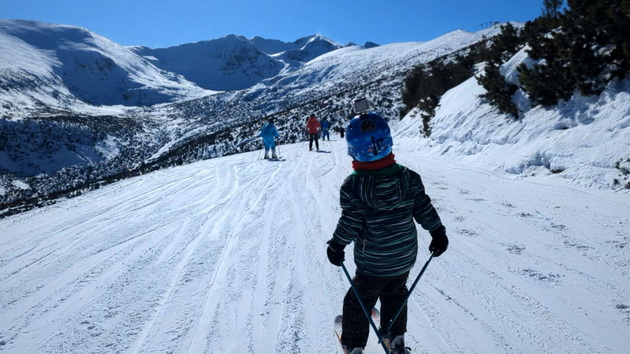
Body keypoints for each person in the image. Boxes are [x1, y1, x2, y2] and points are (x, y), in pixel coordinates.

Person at [326, 112, 449, 354]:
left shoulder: (353, 186)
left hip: (372, 263)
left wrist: (336, 245)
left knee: (357, 301)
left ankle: (353, 346)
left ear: (352, 150)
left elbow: (350, 222)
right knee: (396, 295)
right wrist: (437, 231)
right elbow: (423, 208)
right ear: (388, 142)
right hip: (403, 259)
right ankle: (396, 340)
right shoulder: (409, 178)